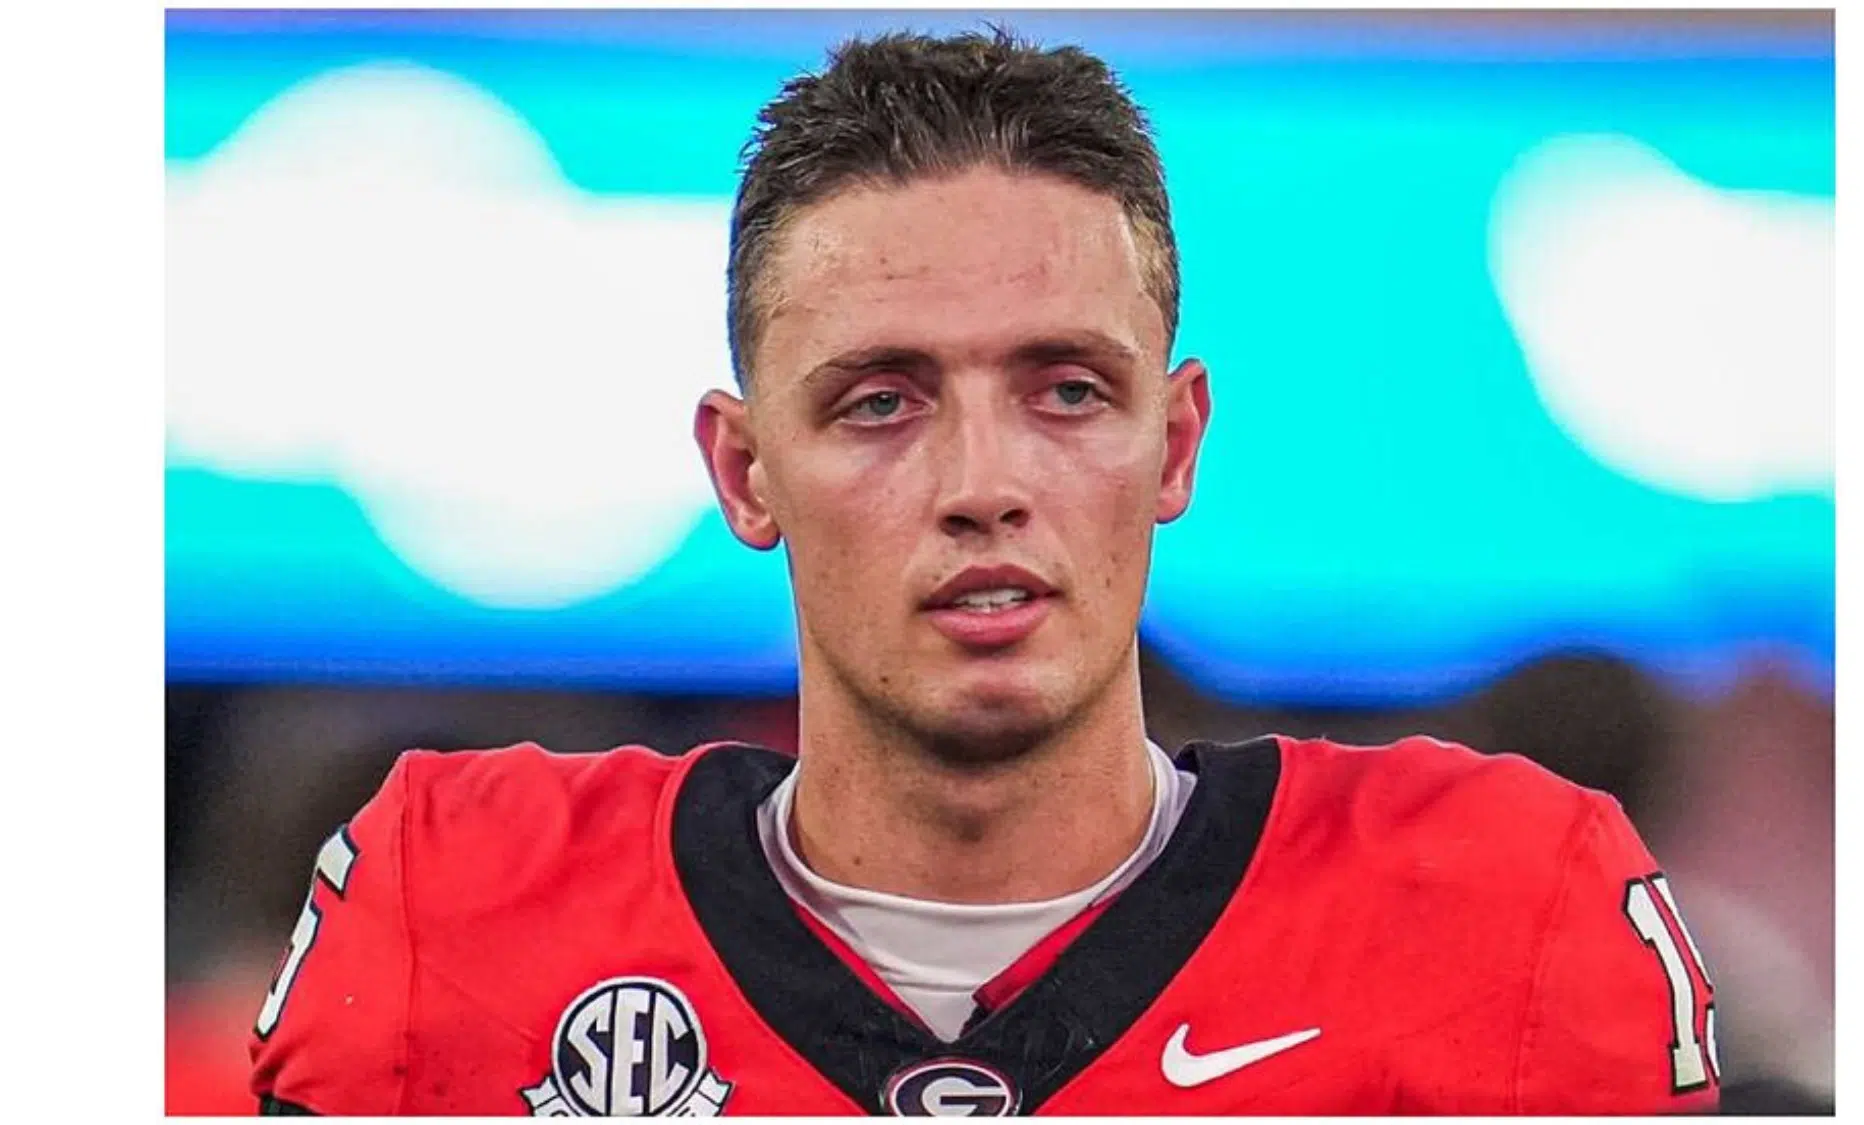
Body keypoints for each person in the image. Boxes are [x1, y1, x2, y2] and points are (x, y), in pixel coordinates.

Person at [247, 28, 1719, 1115]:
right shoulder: (454, 913)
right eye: (881, 400)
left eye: (1067, 391)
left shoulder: (1502, 916)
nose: (983, 486)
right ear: (745, 472)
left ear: (1177, 443)